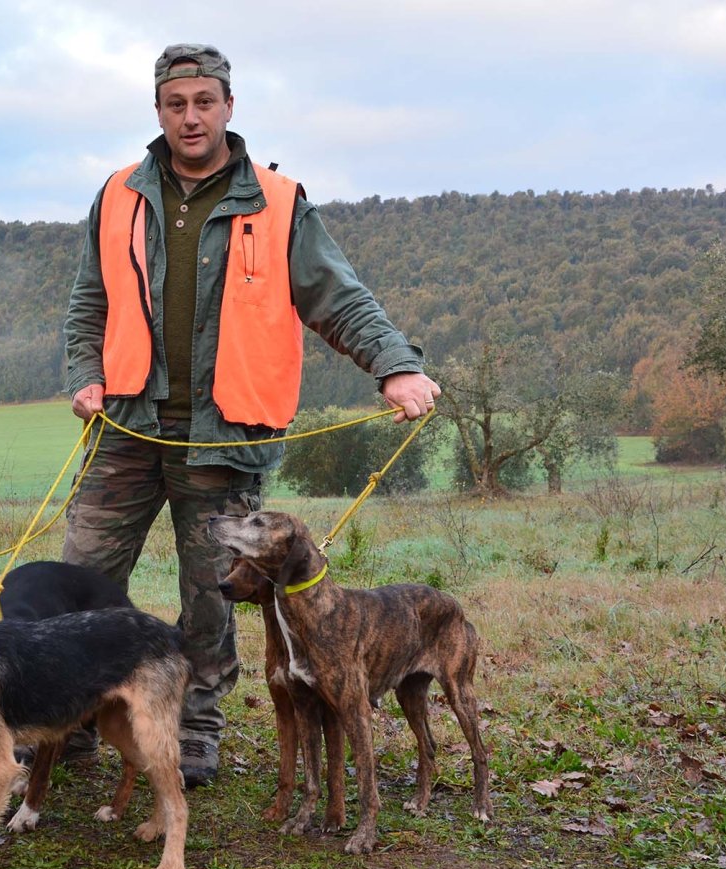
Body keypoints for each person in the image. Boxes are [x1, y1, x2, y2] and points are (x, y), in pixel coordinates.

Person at [61, 43, 441, 788]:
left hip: (224, 439)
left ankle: (196, 726)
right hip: (128, 428)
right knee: (80, 578)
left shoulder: (276, 199)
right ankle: (68, 719)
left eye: (204, 101)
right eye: (176, 104)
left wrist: (394, 365)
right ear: (158, 111)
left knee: (211, 592)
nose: (191, 116)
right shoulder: (116, 195)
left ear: (228, 106)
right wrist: (85, 376)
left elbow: (337, 297)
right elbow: (87, 305)